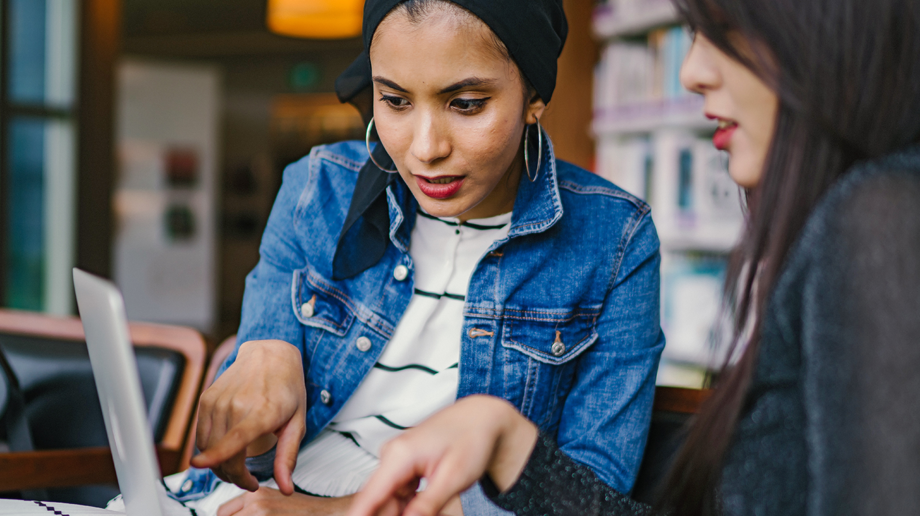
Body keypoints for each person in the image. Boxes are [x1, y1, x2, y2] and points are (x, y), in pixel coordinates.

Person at [344, 0, 920, 514]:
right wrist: (509, 445)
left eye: (725, 29)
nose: (691, 72)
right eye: (394, 99)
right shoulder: (854, 219)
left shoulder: (880, 217)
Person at [148, 1, 665, 515]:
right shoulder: (317, 187)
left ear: (534, 97)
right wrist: (262, 365)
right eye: (395, 101)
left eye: (465, 104)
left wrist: (335, 514)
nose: (425, 148)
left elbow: (587, 499)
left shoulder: (616, 239)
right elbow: (260, 467)